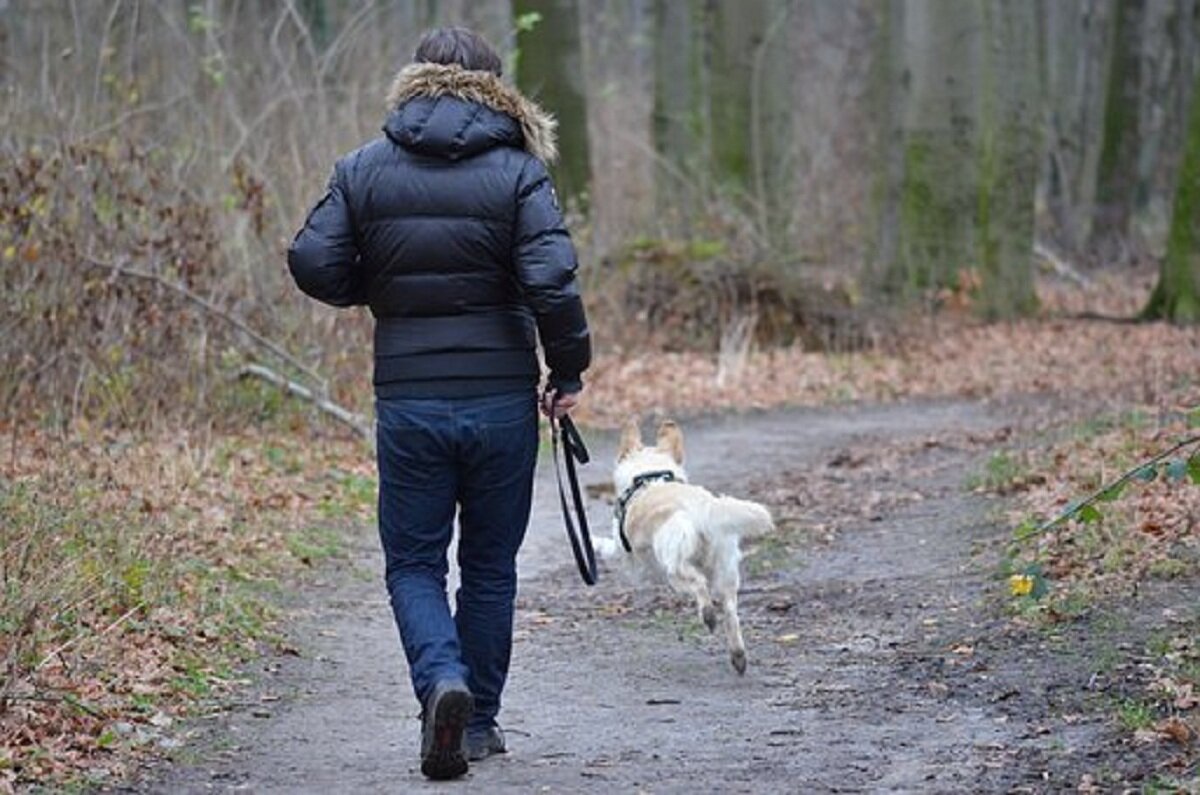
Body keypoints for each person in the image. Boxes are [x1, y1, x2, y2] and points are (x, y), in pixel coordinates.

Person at [287, 27, 590, 781]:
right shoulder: (520, 173)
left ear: (414, 81)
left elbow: (312, 260)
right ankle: (478, 719)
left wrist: (381, 290)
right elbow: (551, 280)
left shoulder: (363, 168)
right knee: (490, 565)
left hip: (410, 397)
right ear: (495, 86)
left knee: (414, 561)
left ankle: (438, 682)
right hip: (499, 400)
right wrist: (569, 369)